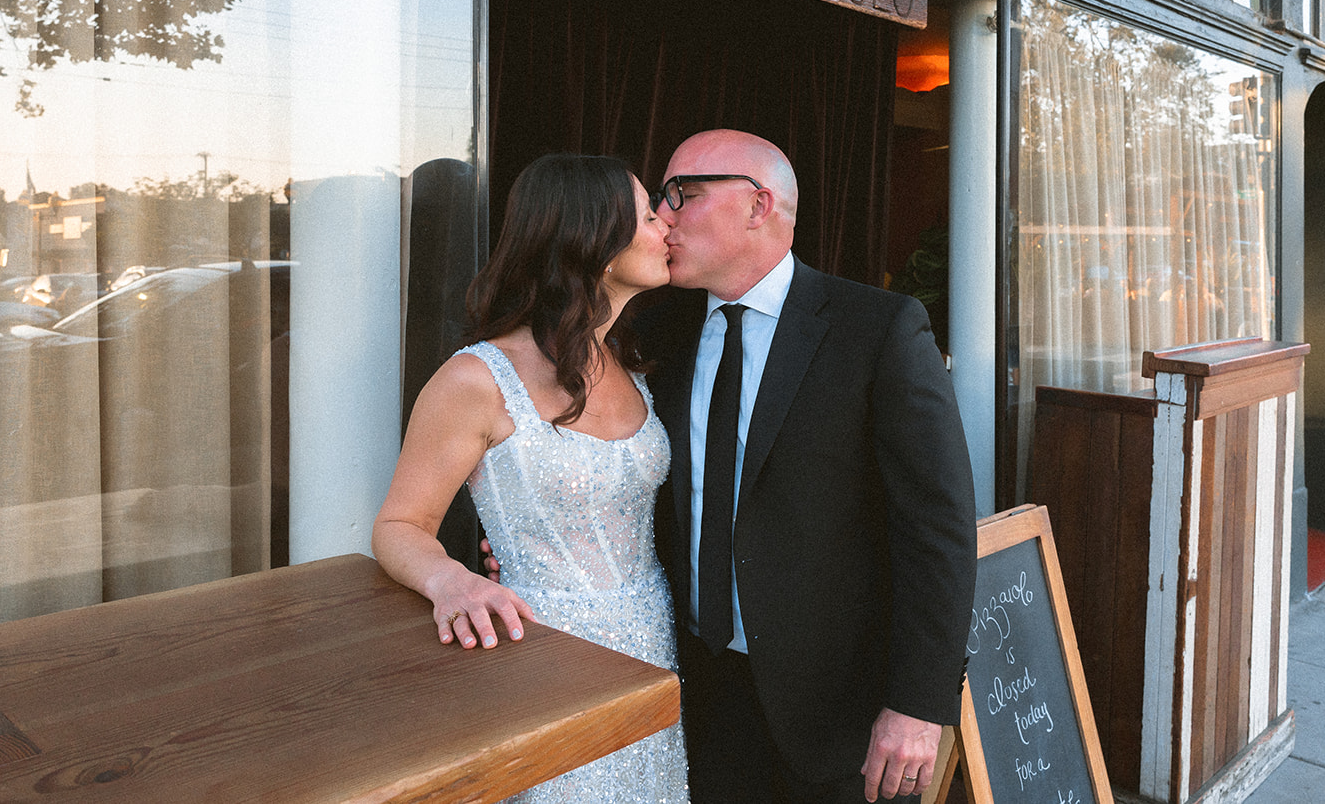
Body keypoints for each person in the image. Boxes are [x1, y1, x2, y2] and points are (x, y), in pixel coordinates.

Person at [641, 129, 977, 804]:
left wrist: (920, 702)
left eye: (682, 193)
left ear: (759, 205)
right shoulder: (660, 332)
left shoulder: (877, 328)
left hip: (840, 716)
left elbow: (936, 527)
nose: (663, 215)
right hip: (699, 699)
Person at [372, 153, 689, 804]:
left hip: (651, 645)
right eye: (651, 215)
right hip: (542, 651)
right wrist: (452, 581)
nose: (668, 228)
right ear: (595, 238)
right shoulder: (476, 380)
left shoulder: (630, 363)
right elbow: (400, 524)